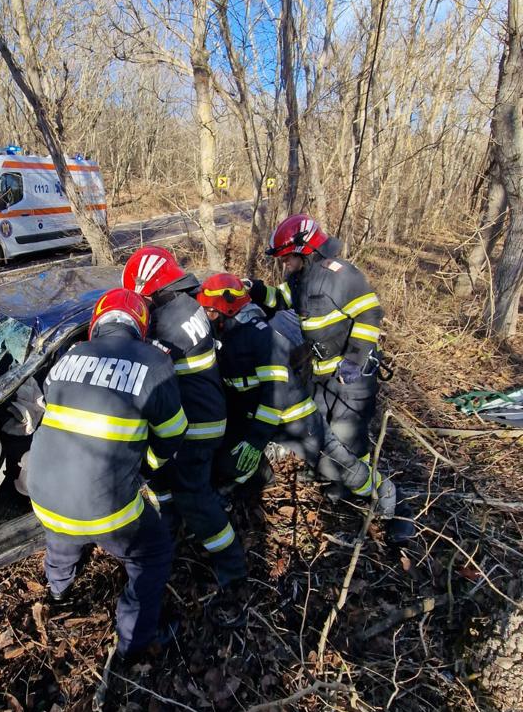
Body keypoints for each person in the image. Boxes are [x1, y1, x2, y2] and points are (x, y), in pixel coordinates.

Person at [26, 287, 188, 689]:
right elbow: (173, 434)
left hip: (42, 494)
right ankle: (134, 644)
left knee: (63, 531)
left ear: (96, 325)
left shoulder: (67, 358)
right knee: (153, 553)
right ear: (141, 327)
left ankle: (59, 592)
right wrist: (147, 467)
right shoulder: (153, 362)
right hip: (105, 508)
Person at [197, 272, 412, 543]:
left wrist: (254, 441)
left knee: (339, 467)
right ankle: (249, 482)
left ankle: (390, 496)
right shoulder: (228, 337)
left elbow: (275, 396)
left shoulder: (260, 337)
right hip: (258, 420)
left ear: (224, 309)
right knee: (230, 459)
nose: (207, 316)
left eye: (210, 311)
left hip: (295, 421)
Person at [266, 215, 415, 540]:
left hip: (352, 378)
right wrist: (251, 293)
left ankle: (380, 496)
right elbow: (282, 299)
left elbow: (370, 313)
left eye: (288, 258)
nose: (285, 265)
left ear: (305, 251)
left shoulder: (341, 274)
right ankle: (344, 481)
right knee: (322, 432)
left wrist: (352, 363)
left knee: (348, 440)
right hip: (322, 375)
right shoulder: (302, 279)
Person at [122, 247, 247, 605]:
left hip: (195, 426)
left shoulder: (167, 325)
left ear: (150, 287)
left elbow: (144, 366)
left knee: (196, 499)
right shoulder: (187, 304)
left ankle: (232, 566)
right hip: (204, 411)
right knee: (163, 480)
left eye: (143, 296)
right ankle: (169, 531)